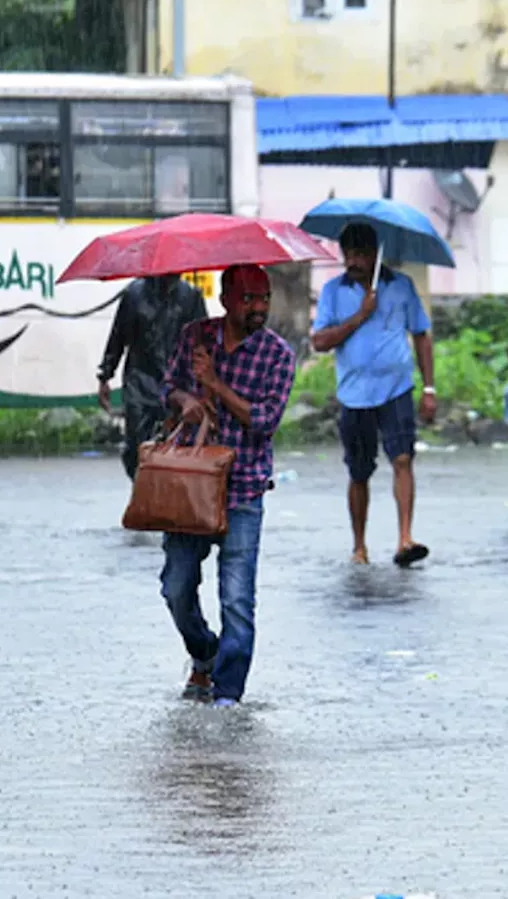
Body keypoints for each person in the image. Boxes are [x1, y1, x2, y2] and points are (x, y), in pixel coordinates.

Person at [158, 264, 296, 707]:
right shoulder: (194, 337)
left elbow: (264, 421)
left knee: (237, 599)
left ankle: (228, 694)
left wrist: (217, 384)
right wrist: (190, 400)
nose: (258, 307)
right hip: (189, 489)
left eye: (264, 298)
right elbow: (168, 391)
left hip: (244, 490)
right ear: (225, 299)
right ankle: (204, 654)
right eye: (248, 298)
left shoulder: (278, 355)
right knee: (176, 588)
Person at [310, 222, 437, 567]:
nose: (353, 260)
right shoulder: (334, 291)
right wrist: (360, 316)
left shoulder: (401, 286)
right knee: (359, 471)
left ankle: (405, 538)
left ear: (374, 254)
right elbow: (320, 341)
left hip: (396, 388)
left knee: (402, 459)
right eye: (348, 253)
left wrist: (428, 388)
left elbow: (421, 335)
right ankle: (359, 545)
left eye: (360, 253)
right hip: (354, 394)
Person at [97, 274, 207, 479]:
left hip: (178, 386)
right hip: (140, 384)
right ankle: (142, 490)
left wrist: (204, 383)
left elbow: (202, 344)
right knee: (136, 449)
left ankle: (167, 497)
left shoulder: (191, 296)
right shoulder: (134, 295)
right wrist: (105, 374)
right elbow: (118, 337)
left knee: (175, 450)